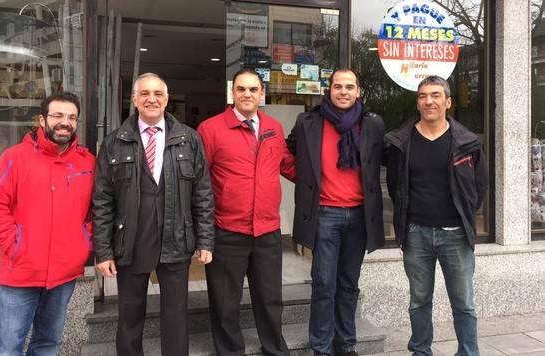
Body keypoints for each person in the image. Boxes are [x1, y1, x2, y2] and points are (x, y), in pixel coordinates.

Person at [92, 73, 214, 356]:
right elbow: (102, 200)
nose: (151, 99)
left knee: (176, 317)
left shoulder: (189, 139)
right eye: (144, 94)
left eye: (158, 94)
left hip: (177, 239)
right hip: (131, 242)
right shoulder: (114, 142)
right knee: (130, 317)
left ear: (167, 99)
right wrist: (104, 251)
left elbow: (203, 194)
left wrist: (206, 241)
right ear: (134, 99)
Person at [0, 92, 95, 355]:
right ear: (42, 120)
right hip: (20, 273)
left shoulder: (87, 162)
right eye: (57, 115)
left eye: (71, 117)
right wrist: (16, 246)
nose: (65, 122)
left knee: (48, 345)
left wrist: (83, 243)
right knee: (9, 348)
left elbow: (97, 211)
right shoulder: (14, 158)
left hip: (64, 274)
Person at [385, 75, 488, 356]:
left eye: (435, 95)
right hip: (416, 234)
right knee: (419, 301)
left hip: (455, 235)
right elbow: (396, 187)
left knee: (464, 303)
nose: (428, 101)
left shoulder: (467, 142)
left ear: (448, 101)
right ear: (417, 103)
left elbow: (480, 186)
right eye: (422, 96)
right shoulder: (401, 142)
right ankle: (421, 351)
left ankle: (468, 352)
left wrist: (464, 215)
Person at [285, 69, 385, 356]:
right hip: (325, 215)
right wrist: (306, 183)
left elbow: (384, 159)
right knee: (324, 284)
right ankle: (321, 347)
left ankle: (346, 344)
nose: (343, 91)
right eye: (337, 86)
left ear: (358, 91)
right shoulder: (308, 122)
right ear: (328, 90)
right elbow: (288, 153)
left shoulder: (372, 124)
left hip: (359, 217)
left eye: (349, 87)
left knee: (348, 284)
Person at [197, 68, 295, 356]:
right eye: (241, 89)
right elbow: (200, 181)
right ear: (233, 93)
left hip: (267, 229)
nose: (247, 94)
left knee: (270, 298)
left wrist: (322, 175)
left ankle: (275, 349)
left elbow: (286, 164)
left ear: (261, 93)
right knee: (226, 301)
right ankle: (230, 351)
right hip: (227, 229)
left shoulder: (273, 128)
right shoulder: (211, 129)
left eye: (253, 89)